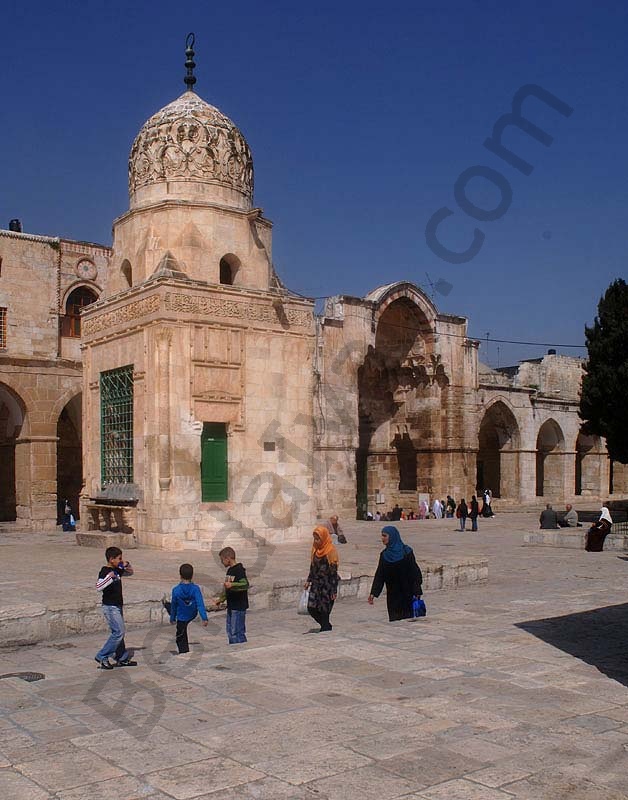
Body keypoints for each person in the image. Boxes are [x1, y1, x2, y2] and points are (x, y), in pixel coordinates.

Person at [367, 526, 423, 621]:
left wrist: (417, 591)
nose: (382, 539)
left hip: (407, 595)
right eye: (382, 536)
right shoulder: (384, 555)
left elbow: (415, 572)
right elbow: (380, 575)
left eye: (385, 536)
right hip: (393, 597)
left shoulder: (406, 552)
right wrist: (373, 593)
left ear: (392, 536)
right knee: (395, 621)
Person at [94, 547, 137, 669]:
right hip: (110, 606)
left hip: (118, 605)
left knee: (119, 632)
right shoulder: (105, 571)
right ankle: (102, 656)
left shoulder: (117, 570)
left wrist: (126, 564)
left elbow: (130, 572)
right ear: (111, 559)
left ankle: (121, 657)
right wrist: (109, 577)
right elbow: (98, 586)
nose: (120, 560)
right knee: (119, 632)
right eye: (119, 558)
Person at [163, 563, 208, 654]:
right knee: (183, 632)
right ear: (192, 575)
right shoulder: (196, 589)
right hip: (192, 613)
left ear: (180, 575)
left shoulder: (176, 590)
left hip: (181, 616)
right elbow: (200, 604)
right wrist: (204, 618)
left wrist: (172, 618)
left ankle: (184, 651)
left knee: (180, 636)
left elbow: (174, 606)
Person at [304, 525, 339, 632]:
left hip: (327, 585)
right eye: (315, 538)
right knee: (311, 608)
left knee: (324, 610)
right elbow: (313, 566)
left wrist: (333, 590)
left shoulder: (330, 550)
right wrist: (308, 580)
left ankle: (325, 629)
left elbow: (333, 572)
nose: (316, 541)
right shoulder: (315, 549)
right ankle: (326, 626)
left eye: (318, 538)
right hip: (316, 584)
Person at [215, 547, 249, 643]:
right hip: (231, 605)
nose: (222, 562)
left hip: (239, 606)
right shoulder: (229, 571)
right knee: (230, 630)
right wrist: (221, 599)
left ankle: (240, 648)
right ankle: (233, 647)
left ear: (228, 558)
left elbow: (245, 584)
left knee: (237, 631)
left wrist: (232, 584)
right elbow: (227, 589)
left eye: (222, 560)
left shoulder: (239, 570)